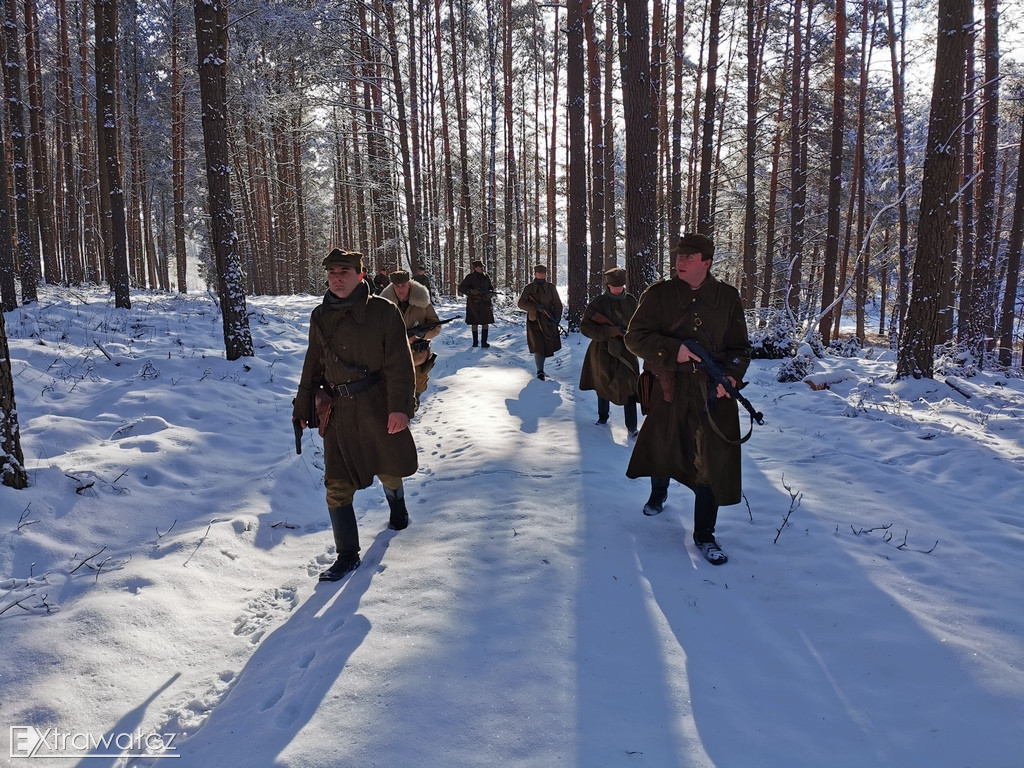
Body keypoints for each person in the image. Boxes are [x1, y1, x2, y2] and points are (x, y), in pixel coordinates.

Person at [624, 233, 752, 565]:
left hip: (713, 394)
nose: (681, 262)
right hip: (670, 388)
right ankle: (658, 493)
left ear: (706, 262)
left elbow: (740, 348)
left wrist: (732, 377)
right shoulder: (659, 295)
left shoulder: (726, 297)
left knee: (710, 461)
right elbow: (635, 338)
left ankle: (704, 535)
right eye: (679, 256)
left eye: (689, 257)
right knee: (664, 446)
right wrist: (673, 351)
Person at [292, 249, 419, 581]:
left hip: (376, 403)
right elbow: (313, 362)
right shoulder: (320, 316)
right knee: (336, 482)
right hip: (339, 410)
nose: (337, 278)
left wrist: (400, 408)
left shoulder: (383, 311)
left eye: (344, 272)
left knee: (389, 468)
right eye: (332, 272)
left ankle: (398, 507)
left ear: (360, 275)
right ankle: (347, 554)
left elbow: (399, 363)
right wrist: (302, 405)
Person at [579, 267, 639, 436]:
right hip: (602, 351)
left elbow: (640, 324)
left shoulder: (631, 301)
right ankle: (603, 418)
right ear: (608, 284)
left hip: (626, 351)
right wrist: (608, 332)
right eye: (614, 286)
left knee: (629, 387)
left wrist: (630, 334)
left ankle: (632, 427)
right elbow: (585, 327)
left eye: (620, 286)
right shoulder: (598, 303)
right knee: (603, 384)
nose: (618, 289)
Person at [380, 269, 442, 409]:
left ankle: (415, 400)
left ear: (409, 284)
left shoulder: (423, 302)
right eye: (397, 286)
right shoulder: (383, 305)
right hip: (392, 354)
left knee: (418, 384)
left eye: (403, 285)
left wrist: (420, 335)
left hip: (417, 354)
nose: (400, 289)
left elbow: (436, 326)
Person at [517, 264, 562, 380]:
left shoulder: (551, 287)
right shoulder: (529, 288)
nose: (542, 275)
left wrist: (556, 319)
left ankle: (541, 368)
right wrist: (535, 307)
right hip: (534, 321)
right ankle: (540, 371)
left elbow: (558, 304)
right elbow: (521, 303)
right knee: (538, 346)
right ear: (535, 274)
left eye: (544, 273)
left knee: (547, 345)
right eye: (539, 273)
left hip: (548, 321)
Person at [458, 260, 495, 348]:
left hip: (485, 303)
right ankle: (475, 342)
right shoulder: (470, 277)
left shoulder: (486, 276)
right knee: (474, 323)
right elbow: (461, 288)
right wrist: (471, 291)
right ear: (475, 268)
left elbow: (490, 288)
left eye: (482, 266)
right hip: (473, 303)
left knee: (485, 322)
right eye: (480, 267)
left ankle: (484, 342)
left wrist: (490, 294)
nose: (482, 268)